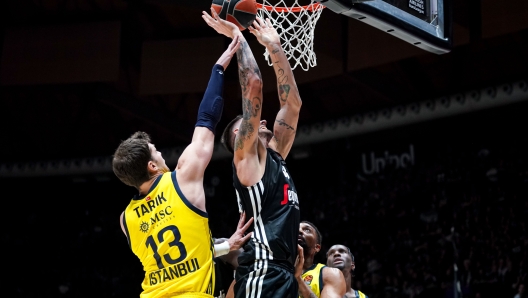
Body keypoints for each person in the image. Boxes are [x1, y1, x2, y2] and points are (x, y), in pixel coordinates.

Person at [112, 36, 249, 298]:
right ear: (152, 165)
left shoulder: (125, 220)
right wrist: (218, 70)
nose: (161, 153)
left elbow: (180, 255)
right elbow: (207, 119)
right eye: (156, 151)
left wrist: (225, 246)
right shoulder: (182, 177)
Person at [202, 8, 302, 298]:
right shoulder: (247, 160)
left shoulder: (275, 156)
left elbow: (292, 105)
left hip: (282, 274)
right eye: (255, 122)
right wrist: (237, 35)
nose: (265, 120)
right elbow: (254, 84)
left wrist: (275, 46)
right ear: (240, 136)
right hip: (262, 271)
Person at [296, 221, 346, 298]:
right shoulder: (276, 270)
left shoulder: (330, 274)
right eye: (296, 229)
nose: (299, 231)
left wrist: (298, 279)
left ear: (317, 247)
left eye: (307, 230)